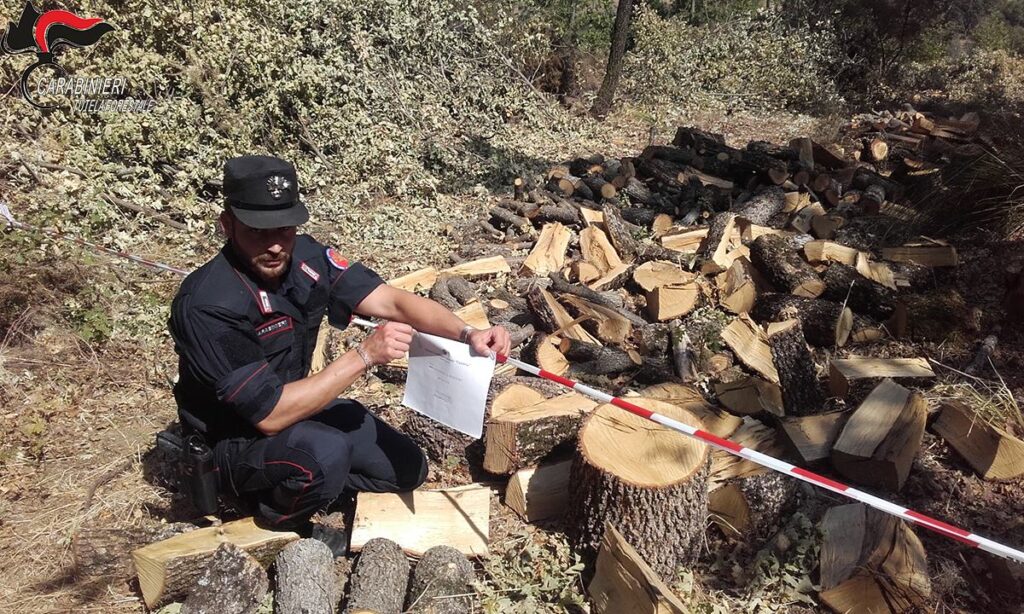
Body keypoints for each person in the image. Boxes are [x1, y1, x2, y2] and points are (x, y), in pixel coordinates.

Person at [168, 155, 511, 529]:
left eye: (284, 229)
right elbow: (268, 415)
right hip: (234, 439)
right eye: (258, 232)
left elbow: (392, 301)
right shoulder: (209, 304)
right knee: (325, 452)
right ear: (227, 225)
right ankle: (274, 520)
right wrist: (364, 356)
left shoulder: (306, 258)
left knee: (408, 469)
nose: (275, 246)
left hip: (301, 406)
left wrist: (467, 333)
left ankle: (312, 481)